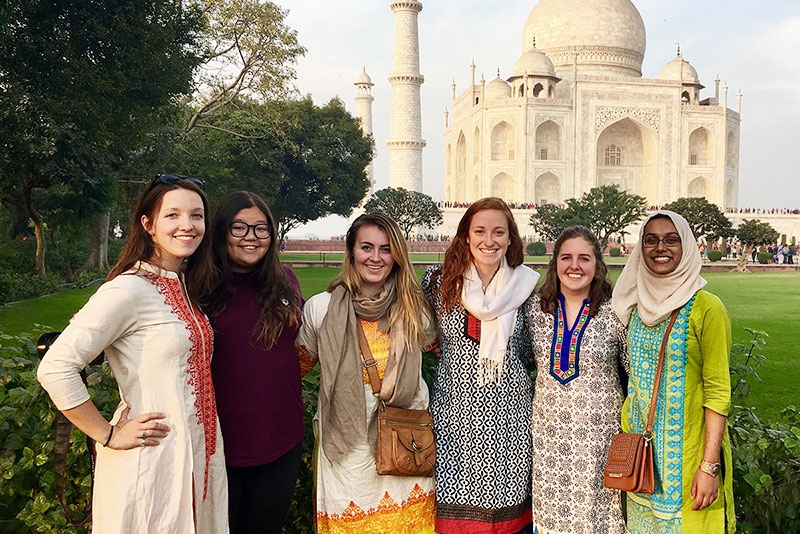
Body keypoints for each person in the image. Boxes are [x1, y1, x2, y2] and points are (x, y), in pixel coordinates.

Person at [37, 174, 228, 533]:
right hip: (152, 462)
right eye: (172, 215)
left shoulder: (183, 285)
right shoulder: (128, 289)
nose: (187, 225)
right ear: (148, 224)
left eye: (196, 215)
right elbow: (56, 367)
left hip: (198, 457)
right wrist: (108, 434)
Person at [295, 212, 436, 533]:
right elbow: (297, 368)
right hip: (347, 447)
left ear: (397, 255)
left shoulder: (414, 308)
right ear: (351, 251)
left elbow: (441, 349)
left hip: (406, 443)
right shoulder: (322, 308)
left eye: (385, 249)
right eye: (366, 248)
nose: (376, 258)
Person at [421, 197, 539, 534]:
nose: (490, 240)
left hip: (510, 422)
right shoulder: (439, 281)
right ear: (466, 236)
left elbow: (531, 350)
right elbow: (423, 333)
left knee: (509, 516)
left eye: (499, 232)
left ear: (510, 238)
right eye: (481, 231)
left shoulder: (525, 285)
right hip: (454, 418)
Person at [612, 210, 736, 533]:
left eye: (671, 240)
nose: (660, 248)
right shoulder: (635, 309)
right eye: (650, 240)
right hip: (643, 468)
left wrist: (709, 466)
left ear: (687, 247)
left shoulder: (706, 308)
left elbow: (718, 392)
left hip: (690, 466)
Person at [190, 191, 303, 533]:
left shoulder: (285, 281)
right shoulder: (195, 285)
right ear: (222, 231)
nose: (251, 237)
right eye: (239, 228)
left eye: (261, 228)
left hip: (280, 438)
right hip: (218, 445)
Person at [526, 226, 628, 534]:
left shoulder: (617, 312)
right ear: (555, 263)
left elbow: (634, 372)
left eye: (584, 258)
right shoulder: (534, 310)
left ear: (597, 265)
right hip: (549, 444)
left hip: (600, 443)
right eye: (566, 257)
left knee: (599, 520)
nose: (575, 266)